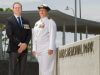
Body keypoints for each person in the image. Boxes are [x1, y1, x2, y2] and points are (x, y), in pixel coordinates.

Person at [6, 2, 31, 75]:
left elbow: (29, 34)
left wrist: (25, 44)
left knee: (22, 71)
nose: (17, 9)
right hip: (14, 49)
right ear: (13, 9)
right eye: (15, 8)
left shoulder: (26, 21)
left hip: (24, 50)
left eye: (19, 8)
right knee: (12, 71)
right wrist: (20, 44)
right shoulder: (9, 20)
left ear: (21, 9)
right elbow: (9, 34)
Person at [32, 4, 57, 75]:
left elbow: (53, 35)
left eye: (43, 10)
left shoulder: (50, 22)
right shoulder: (36, 23)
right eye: (40, 11)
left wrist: (51, 48)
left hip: (47, 49)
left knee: (47, 69)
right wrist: (34, 49)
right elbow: (34, 37)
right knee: (42, 69)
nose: (41, 12)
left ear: (47, 12)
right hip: (39, 49)